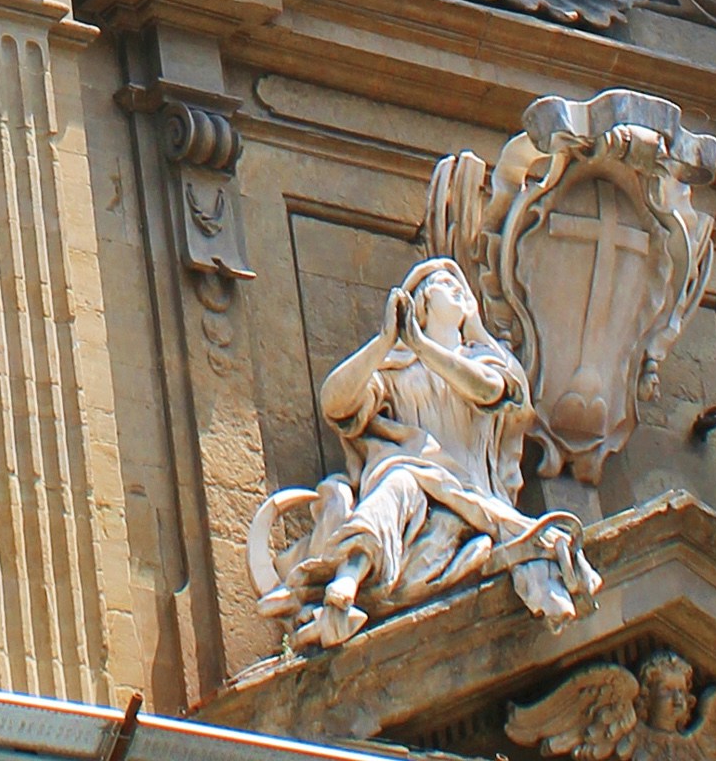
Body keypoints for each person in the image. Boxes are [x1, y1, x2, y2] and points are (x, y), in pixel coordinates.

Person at [248, 256, 597, 651]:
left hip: (474, 504)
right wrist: (385, 343)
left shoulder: (489, 361)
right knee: (400, 475)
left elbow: (486, 391)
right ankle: (349, 576)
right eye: (445, 285)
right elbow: (335, 403)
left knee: (400, 474)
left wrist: (421, 345)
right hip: (416, 498)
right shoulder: (396, 371)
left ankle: (350, 576)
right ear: (422, 303)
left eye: (461, 287)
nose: (459, 291)